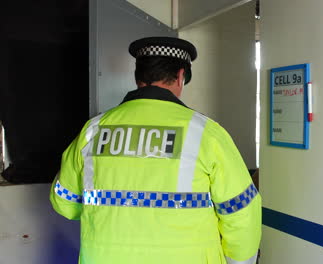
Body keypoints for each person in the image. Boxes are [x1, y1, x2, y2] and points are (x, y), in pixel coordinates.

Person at [50, 37, 262, 264]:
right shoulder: (206, 134)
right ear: (181, 76)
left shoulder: (93, 130)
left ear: (137, 76)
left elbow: (64, 203)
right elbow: (241, 211)